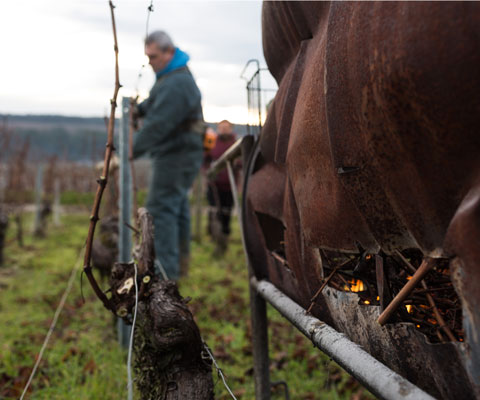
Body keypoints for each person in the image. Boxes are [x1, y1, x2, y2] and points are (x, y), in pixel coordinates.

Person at [132, 31, 204, 280]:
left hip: (177, 155)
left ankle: (164, 277)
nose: (150, 62)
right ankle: (178, 269)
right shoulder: (170, 77)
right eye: (148, 57)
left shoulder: (176, 82)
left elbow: (158, 125)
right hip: (180, 153)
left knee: (160, 210)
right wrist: (138, 109)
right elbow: (155, 105)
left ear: (168, 52)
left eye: (153, 56)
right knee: (176, 206)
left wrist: (126, 152)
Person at [204, 120, 237, 255]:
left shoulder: (235, 143)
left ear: (230, 129)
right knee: (213, 209)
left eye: (226, 128)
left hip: (229, 185)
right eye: (221, 128)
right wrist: (207, 171)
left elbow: (239, 161)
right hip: (214, 183)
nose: (223, 130)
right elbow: (205, 157)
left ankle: (224, 235)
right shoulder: (212, 142)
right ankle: (213, 234)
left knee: (226, 211)